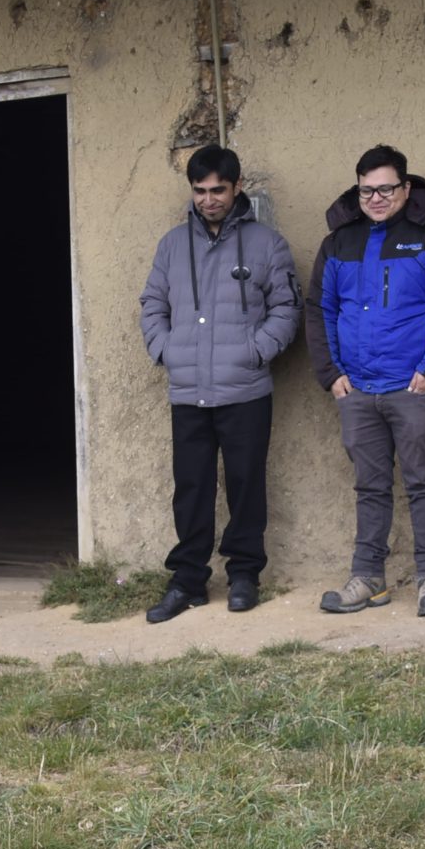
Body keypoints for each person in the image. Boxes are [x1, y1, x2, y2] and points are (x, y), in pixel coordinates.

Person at [305, 144, 425, 617]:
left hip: (411, 386)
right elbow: (319, 309)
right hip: (356, 389)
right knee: (369, 486)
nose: (376, 198)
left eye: (386, 188)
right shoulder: (338, 242)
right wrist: (331, 374)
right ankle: (368, 578)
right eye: (366, 190)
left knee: (422, 482)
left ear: (406, 188)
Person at [138, 145, 300, 622]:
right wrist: (165, 349)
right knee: (191, 487)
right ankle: (187, 579)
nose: (208, 200)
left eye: (218, 190)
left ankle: (245, 574)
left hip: (244, 389)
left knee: (246, 483)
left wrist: (256, 351)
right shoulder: (171, 245)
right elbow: (152, 303)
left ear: (236, 188)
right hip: (188, 389)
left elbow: (287, 308)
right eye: (200, 191)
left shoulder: (266, 244)